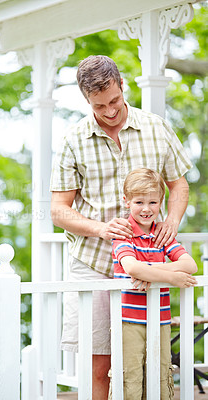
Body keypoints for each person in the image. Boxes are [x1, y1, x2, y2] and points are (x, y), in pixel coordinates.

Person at [50, 55, 193, 399]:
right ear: (87, 100)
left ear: (122, 85)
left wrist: (172, 221)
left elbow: (180, 185)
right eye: (99, 106)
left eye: (114, 100)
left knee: (150, 361)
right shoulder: (74, 139)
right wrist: (101, 229)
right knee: (99, 366)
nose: (110, 111)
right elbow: (58, 210)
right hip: (95, 264)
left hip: (149, 266)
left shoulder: (156, 127)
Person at [108, 168, 197, 399]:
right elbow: (131, 268)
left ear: (161, 202)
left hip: (160, 319)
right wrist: (170, 277)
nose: (146, 209)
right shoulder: (123, 233)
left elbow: (190, 266)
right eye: (139, 201)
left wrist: (148, 272)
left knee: (160, 375)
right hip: (129, 320)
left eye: (153, 202)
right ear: (126, 201)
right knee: (130, 378)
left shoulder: (162, 234)